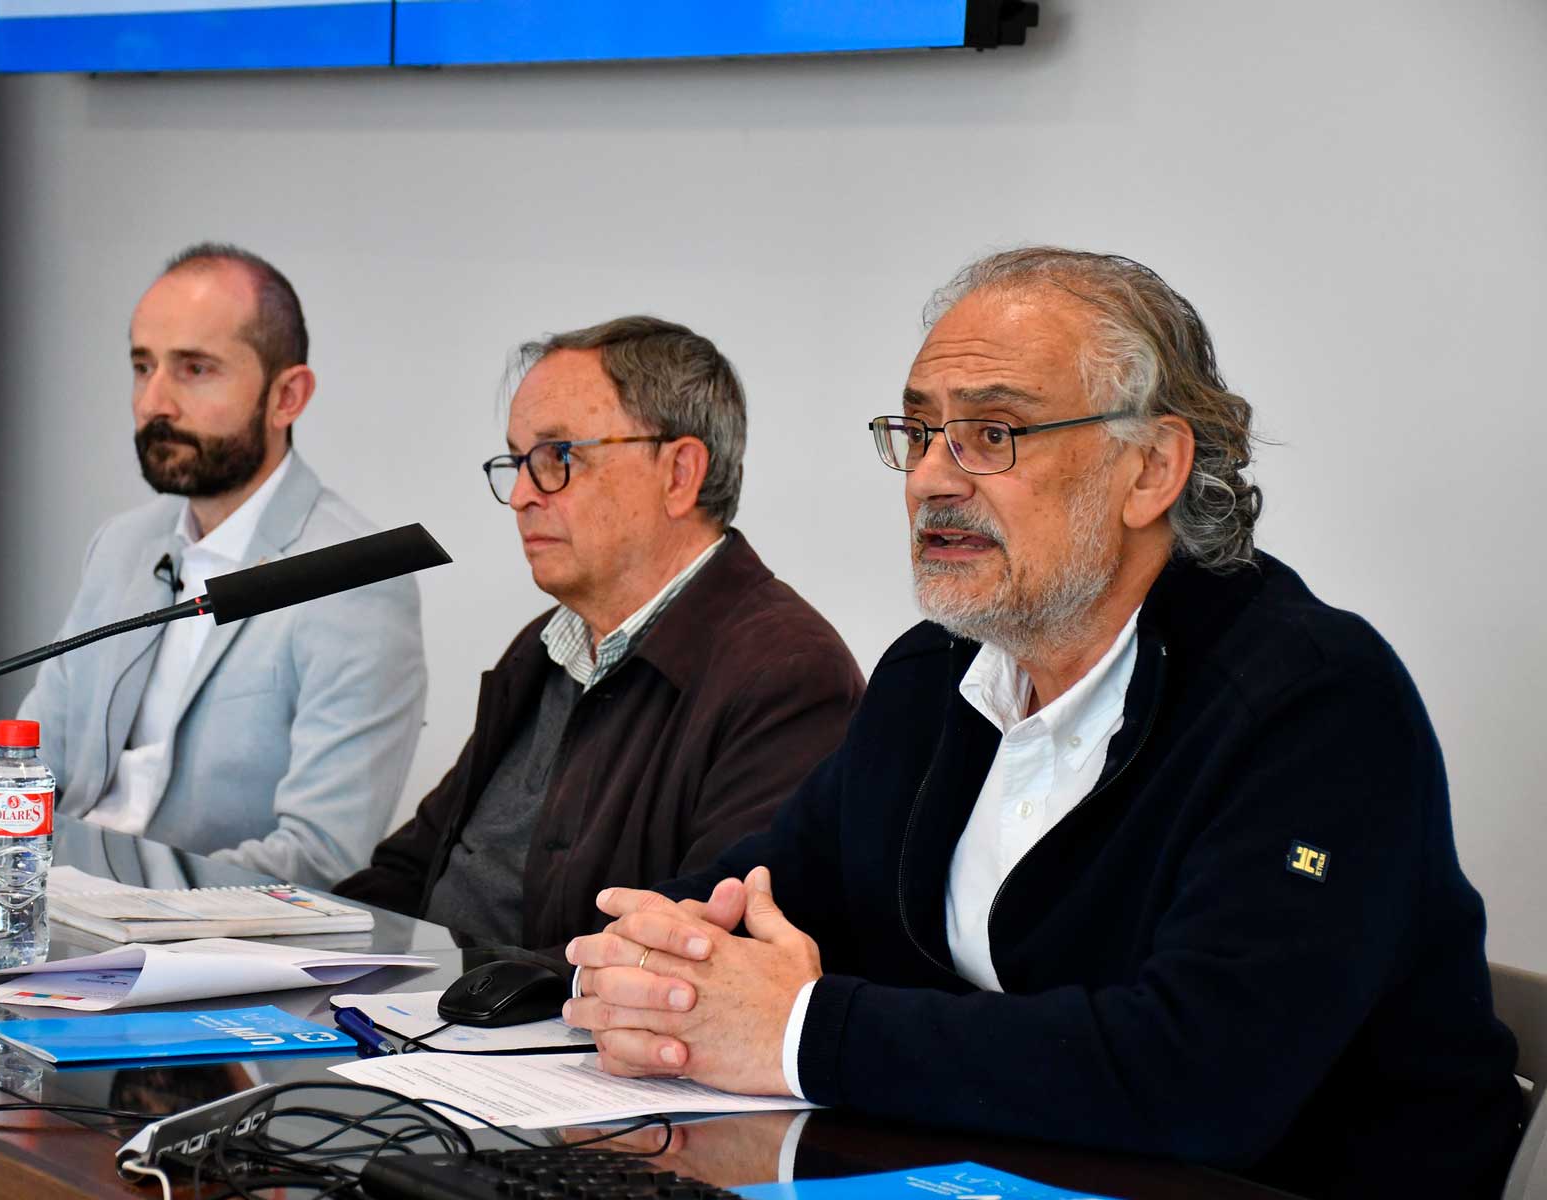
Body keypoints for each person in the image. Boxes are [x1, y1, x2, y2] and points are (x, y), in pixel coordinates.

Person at [563, 249, 1524, 1198]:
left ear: (1149, 469)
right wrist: (651, 959)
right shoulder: (932, 675)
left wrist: (800, 1031)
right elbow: (770, 885)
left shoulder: (1315, 703)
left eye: (992, 433)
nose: (931, 479)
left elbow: (1203, 1077)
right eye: (921, 430)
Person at [333, 316, 863, 950]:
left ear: (679, 474)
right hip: (426, 1016)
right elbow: (413, 869)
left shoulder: (787, 674)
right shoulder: (545, 644)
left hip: (539, 1035)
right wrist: (287, 954)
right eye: (517, 462)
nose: (522, 495)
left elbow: (701, 946)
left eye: (558, 457)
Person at [18, 243, 425, 888]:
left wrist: (118, 903)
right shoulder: (121, 546)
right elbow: (27, 767)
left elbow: (318, 858)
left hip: (199, 950)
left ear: (287, 396)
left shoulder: (353, 577)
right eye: (142, 366)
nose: (156, 402)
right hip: (48, 919)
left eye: (195, 369)